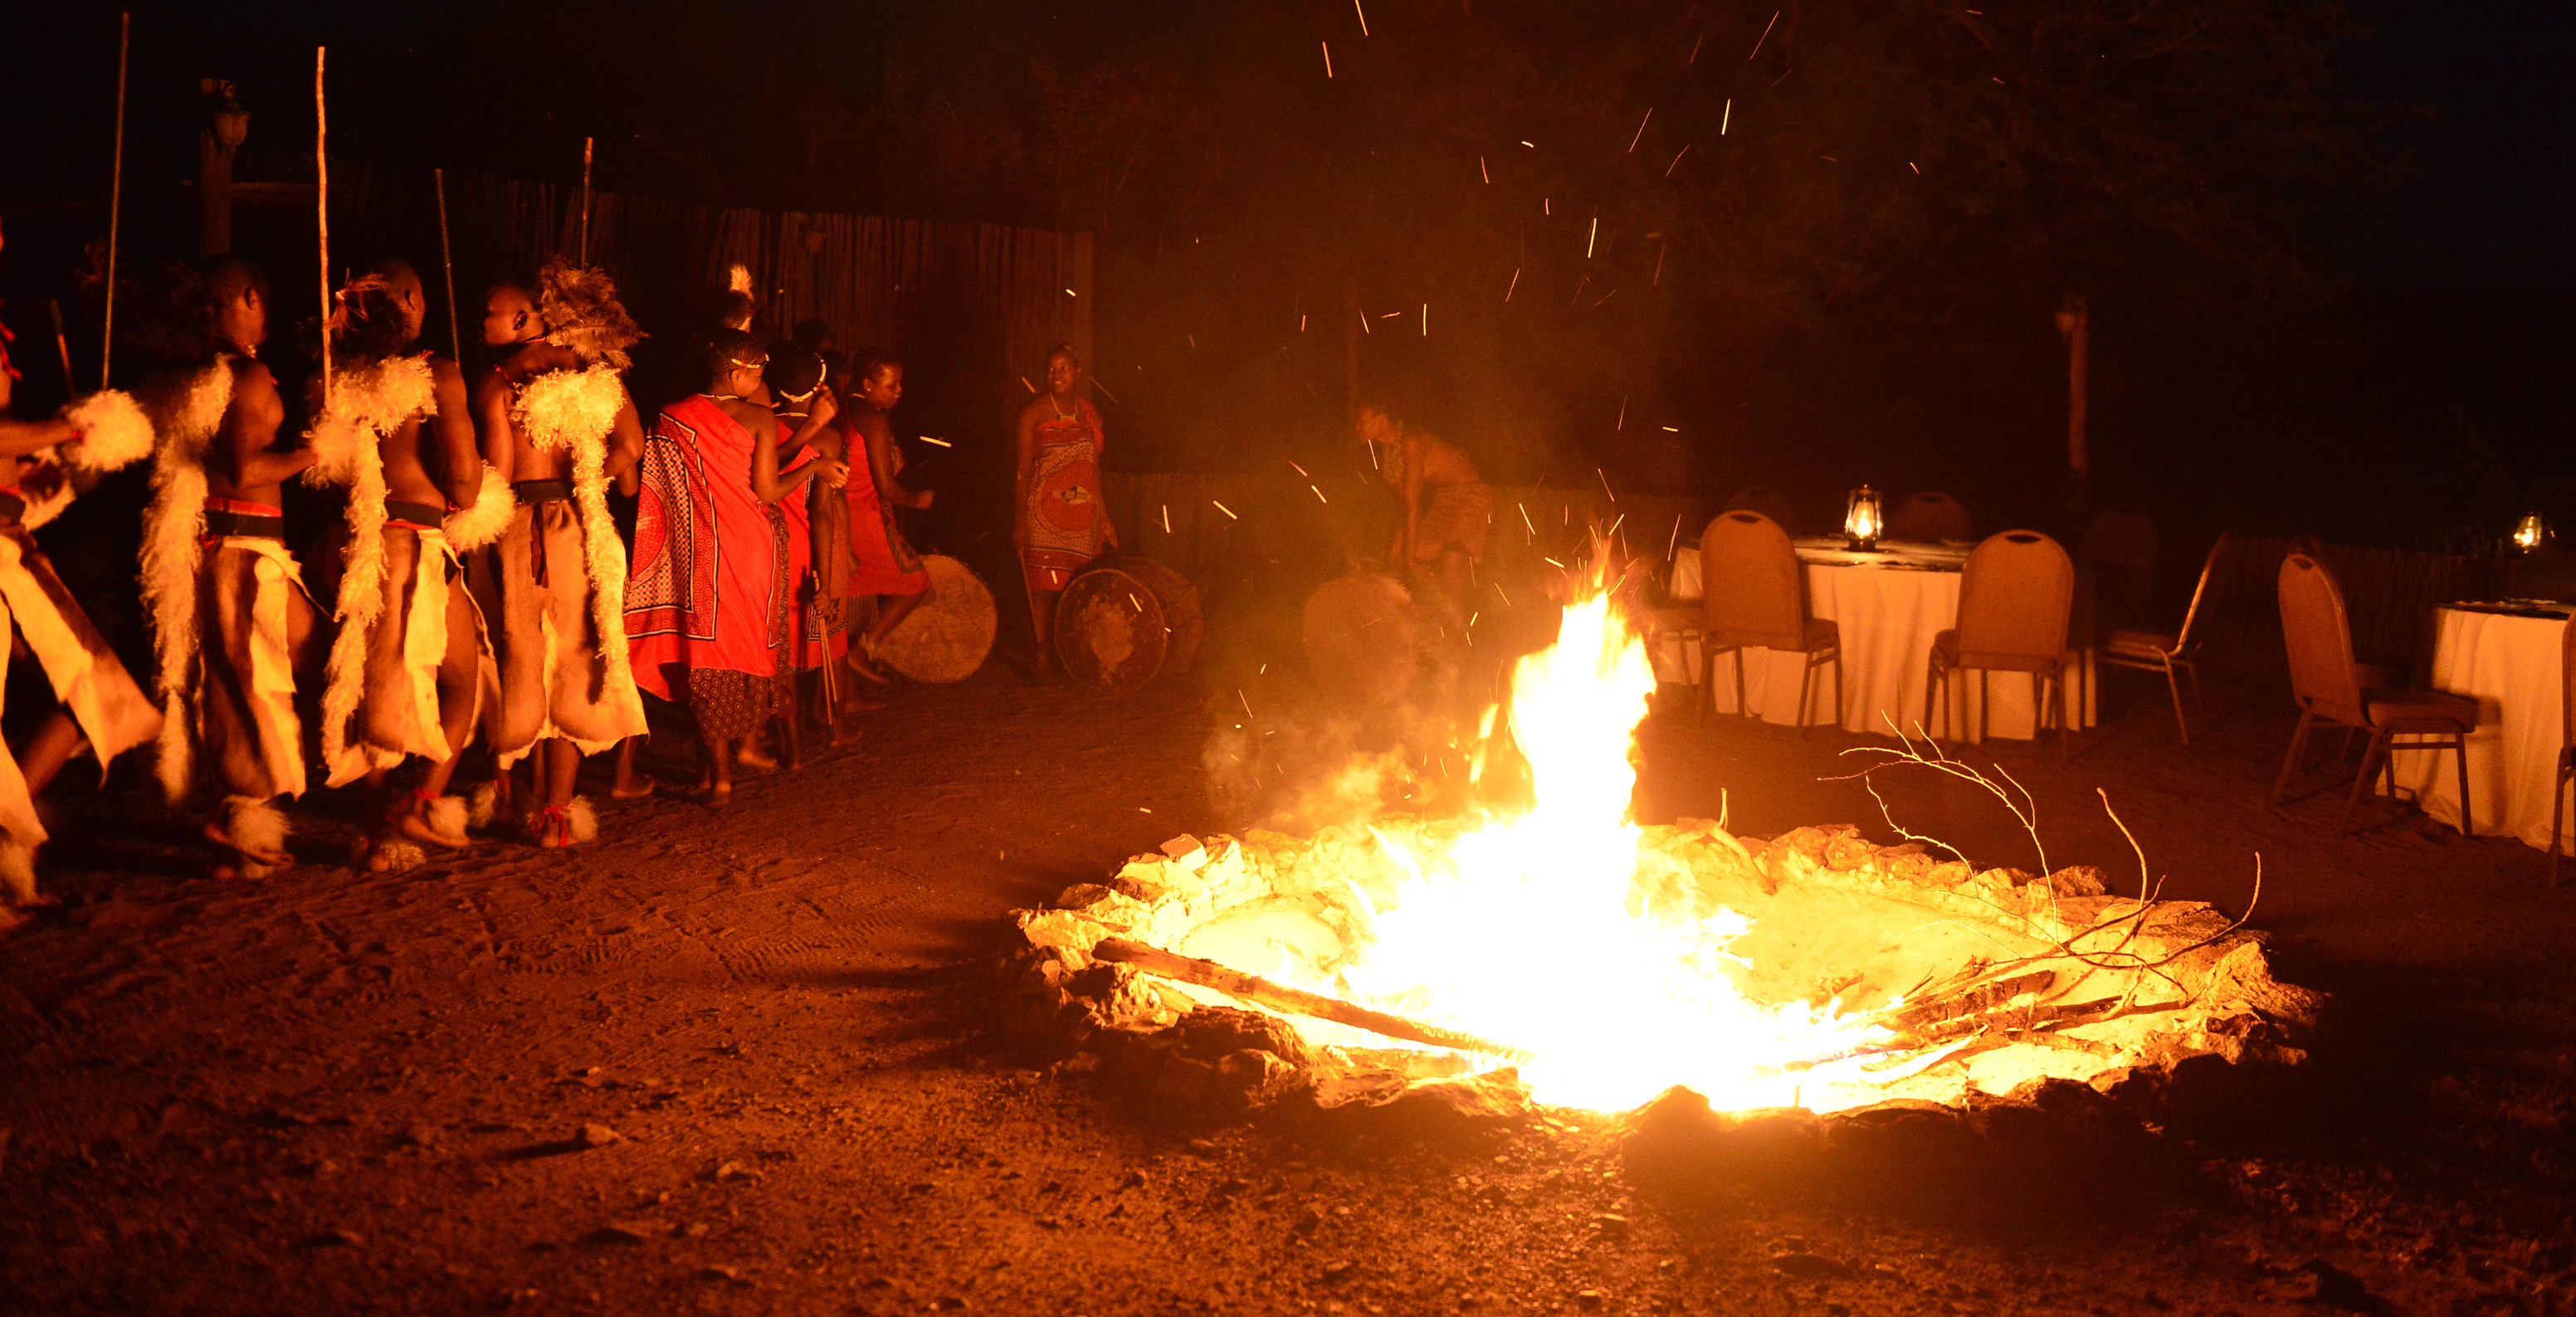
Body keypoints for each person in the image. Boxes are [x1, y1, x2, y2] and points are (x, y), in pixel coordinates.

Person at [136, 255, 320, 880]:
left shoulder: (197, 374)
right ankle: (241, 814)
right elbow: (245, 470)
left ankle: (238, 808)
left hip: (227, 545)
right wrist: (312, 451)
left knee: (272, 660)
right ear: (248, 297)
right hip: (242, 546)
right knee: (253, 677)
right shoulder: (244, 376)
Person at [305, 263, 492, 869]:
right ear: (412, 301)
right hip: (412, 537)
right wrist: (471, 504)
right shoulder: (437, 372)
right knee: (465, 675)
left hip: (351, 538)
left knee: (369, 679)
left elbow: (325, 467)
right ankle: (422, 799)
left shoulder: (338, 378)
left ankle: (373, 829)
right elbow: (464, 477)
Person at [0, 221, 161, 927]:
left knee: (97, 688)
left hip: (11, 542)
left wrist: (54, 472)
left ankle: (12, 844)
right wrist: (66, 433)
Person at [471, 259, 651, 847]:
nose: (479, 321)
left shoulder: (497, 380)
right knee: (573, 659)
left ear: (525, 317)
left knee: (523, 658)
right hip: (578, 528)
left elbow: (495, 473)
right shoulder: (594, 373)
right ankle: (557, 813)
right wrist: (588, 486)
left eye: (489, 312)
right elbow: (632, 445)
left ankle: (508, 788)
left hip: (520, 528)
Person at [627, 334, 843, 806]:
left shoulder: (670, 417)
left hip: (695, 551)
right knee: (743, 651)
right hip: (753, 551)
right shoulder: (760, 418)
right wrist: (813, 468)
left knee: (703, 653)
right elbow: (766, 490)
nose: (763, 384)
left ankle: (717, 777)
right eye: (758, 375)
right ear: (735, 373)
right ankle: (726, 772)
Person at [749, 339, 849, 762]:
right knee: (798, 643)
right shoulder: (826, 438)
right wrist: (825, 579)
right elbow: (822, 514)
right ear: (819, 389)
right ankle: (822, 731)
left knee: (771, 648)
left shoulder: (757, 424)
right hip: (801, 549)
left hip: (756, 547)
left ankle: (774, 736)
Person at [832, 348, 933, 682]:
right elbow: (886, 486)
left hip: (844, 513)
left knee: (843, 609)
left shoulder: (847, 410)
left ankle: (841, 698)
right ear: (868, 384)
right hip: (864, 517)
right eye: (892, 385)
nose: (899, 391)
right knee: (916, 582)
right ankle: (865, 648)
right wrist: (916, 501)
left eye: (900, 384)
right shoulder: (874, 420)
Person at [1012, 344, 1111, 676]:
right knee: (1043, 588)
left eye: (1064, 368)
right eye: (1051, 369)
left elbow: (1094, 469)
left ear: (1078, 371)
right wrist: (1020, 522)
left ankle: (1075, 655)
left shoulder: (1088, 413)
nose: (1056, 375)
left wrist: (1106, 518)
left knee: (1079, 587)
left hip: (1084, 516)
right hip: (1043, 513)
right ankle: (1041, 654)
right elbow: (1023, 471)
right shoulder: (1033, 413)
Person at [1357, 401, 1490, 598]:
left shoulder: (1411, 441)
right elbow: (1406, 506)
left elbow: (1413, 505)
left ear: (1382, 421)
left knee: (1449, 585)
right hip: (1444, 502)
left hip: (1470, 501)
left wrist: (1409, 562)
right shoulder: (1390, 452)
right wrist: (1396, 557)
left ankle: (1456, 625)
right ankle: (1426, 616)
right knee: (1398, 562)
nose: (1357, 427)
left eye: (1362, 421)